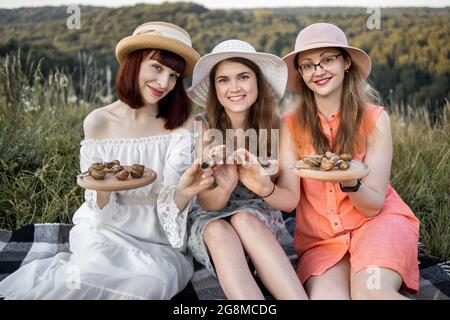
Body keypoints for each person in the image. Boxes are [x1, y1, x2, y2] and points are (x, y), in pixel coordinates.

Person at [0, 21, 214, 299]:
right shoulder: (99, 122)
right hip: (106, 229)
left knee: (150, 284)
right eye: (157, 68)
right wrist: (102, 189)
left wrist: (187, 191)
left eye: (173, 76)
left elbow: (173, 200)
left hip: (160, 238)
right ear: (134, 63)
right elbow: (98, 205)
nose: (164, 83)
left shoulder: (182, 124)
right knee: (86, 276)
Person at [245, 23, 420, 299]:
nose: (319, 70)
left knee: (370, 293)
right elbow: (290, 198)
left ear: (346, 62)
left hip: (376, 225)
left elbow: (374, 206)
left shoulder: (375, 120)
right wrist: (263, 186)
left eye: (328, 59)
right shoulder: (290, 123)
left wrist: (350, 182)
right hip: (322, 242)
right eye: (308, 65)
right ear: (301, 74)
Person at [186, 39, 308, 300]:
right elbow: (206, 202)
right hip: (210, 217)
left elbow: (290, 201)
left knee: (244, 219)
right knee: (219, 231)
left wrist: (265, 187)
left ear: (258, 82)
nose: (234, 88)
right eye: (224, 80)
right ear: (214, 88)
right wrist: (226, 186)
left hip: (258, 215)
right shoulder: (203, 128)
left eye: (243, 77)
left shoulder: (279, 128)